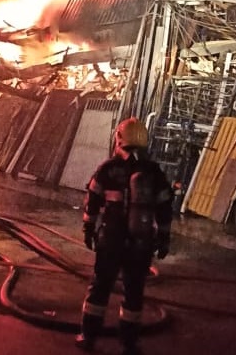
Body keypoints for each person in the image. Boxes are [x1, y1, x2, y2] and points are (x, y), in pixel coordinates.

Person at [76, 117, 173, 355]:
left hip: (110, 238)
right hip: (140, 242)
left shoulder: (108, 168)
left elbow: (92, 202)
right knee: (134, 290)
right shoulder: (153, 171)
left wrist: (88, 230)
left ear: (120, 138)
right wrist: (163, 238)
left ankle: (88, 337)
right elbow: (164, 207)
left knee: (100, 287)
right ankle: (129, 344)